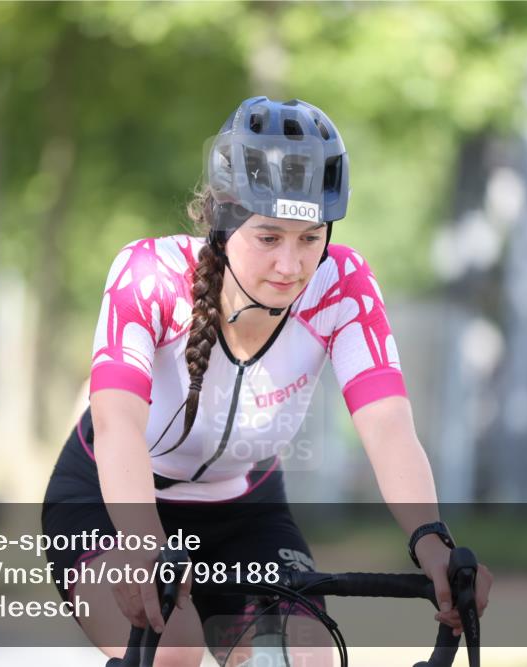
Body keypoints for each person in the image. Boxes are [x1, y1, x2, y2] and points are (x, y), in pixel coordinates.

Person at [42, 96, 492, 667]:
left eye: (310, 238)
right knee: (170, 651)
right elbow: (118, 422)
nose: (291, 265)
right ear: (224, 222)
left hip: (244, 511)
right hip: (109, 504)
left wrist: (432, 541)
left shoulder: (343, 286)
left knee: (302, 658)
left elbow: (388, 428)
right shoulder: (149, 275)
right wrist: (140, 544)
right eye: (269, 237)